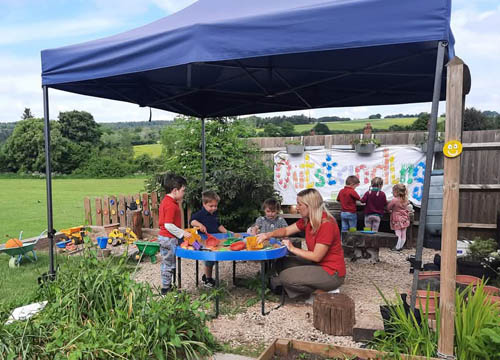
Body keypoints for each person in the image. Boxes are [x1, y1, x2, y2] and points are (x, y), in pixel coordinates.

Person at [256, 188, 345, 300]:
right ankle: (304, 285)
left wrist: (292, 248)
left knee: (285, 277)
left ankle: (323, 291)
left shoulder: (326, 224)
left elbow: (316, 256)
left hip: (332, 273)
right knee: (281, 262)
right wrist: (267, 235)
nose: (297, 207)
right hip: (317, 265)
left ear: (310, 205)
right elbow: (286, 230)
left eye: (299, 204)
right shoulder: (307, 220)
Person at [158, 173, 192, 295]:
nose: (184, 193)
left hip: (168, 237)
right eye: (183, 190)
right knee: (168, 264)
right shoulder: (171, 205)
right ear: (175, 190)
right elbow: (168, 225)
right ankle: (165, 290)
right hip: (168, 238)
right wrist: (182, 233)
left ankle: (169, 286)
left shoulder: (167, 201)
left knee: (170, 262)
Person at [190, 190, 230, 288]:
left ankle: (206, 276)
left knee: (211, 260)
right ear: (204, 204)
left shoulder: (214, 214)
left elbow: (218, 225)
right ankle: (208, 279)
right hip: (202, 241)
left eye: (215, 206)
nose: (214, 208)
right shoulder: (200, 214)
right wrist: (200, 224)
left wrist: (227, 232)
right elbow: (192, 221)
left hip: (213, 240)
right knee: (209, 259)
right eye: (211, 206)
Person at [387, 183, 411, 251]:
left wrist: (390, 211)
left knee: (398, 233)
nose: (392, 193)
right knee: (404, 233)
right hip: (405, 218)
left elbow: (388, 207)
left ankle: (397, 247)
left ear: (396, 192)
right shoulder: (406, 200)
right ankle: (401, 246)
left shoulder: (395, 200)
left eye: (393, 192)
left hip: (396, 218)